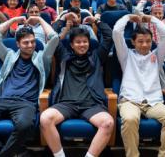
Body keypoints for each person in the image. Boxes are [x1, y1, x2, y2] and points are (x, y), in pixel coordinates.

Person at [0, 15, 59, 157]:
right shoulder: (9, 56)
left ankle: (1, 154)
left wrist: (40, 20)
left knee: (24, 126)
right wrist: (13, 20)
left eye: (33, 42)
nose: (30, 45)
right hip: (2, 101)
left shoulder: (42, 58)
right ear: (18, 44)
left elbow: (54, 39)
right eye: (26, 43)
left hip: (26, 103)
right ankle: (14, 151)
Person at [40, 17, 114, 157]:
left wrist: (96, 21)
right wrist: (62, 20)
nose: (82, 45)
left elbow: (109, 37)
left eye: (85, 41)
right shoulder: (64, 57)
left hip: (91, 105)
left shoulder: (97, 57)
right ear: (72, 45)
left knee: (108, 122)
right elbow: (53, 37)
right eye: (78, 42)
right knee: (45, 118)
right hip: (66, 104)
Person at [113, 14, 165, 157]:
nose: (145, 44)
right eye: (140, 41)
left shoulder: (157, 55)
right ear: (133, 42)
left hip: (153, 102)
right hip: (130, 101)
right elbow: (116, 32)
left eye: (148, 41)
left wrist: (151, 19)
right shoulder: (126, 55)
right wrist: (127, 17)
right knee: (130, 119)